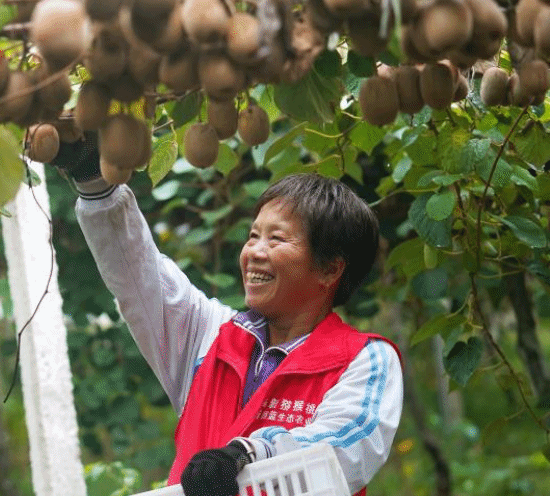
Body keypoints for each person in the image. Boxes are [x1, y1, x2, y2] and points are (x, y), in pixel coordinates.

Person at [52, 140, 403, 496]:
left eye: (276, 239)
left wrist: (249, 452)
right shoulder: (211, 338)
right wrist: (95, 182)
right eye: (253, 236)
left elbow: (345, 448)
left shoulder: (366, 360)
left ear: (330, 269)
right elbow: (138, 275)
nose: (254, 252)